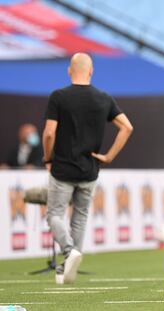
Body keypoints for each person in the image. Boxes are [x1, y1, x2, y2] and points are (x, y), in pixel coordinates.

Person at [42, 53, 133, 284]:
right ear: (91, 71)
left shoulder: (59, 97)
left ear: (69, 70)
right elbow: (127, 127)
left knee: (54, 214)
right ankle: (67, 267)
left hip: (62, 167)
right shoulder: (103, 98)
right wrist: (109, 156)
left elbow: (50, 132)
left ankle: (69, 251)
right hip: (90, 169)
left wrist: (47, 157)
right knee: (80, 217)